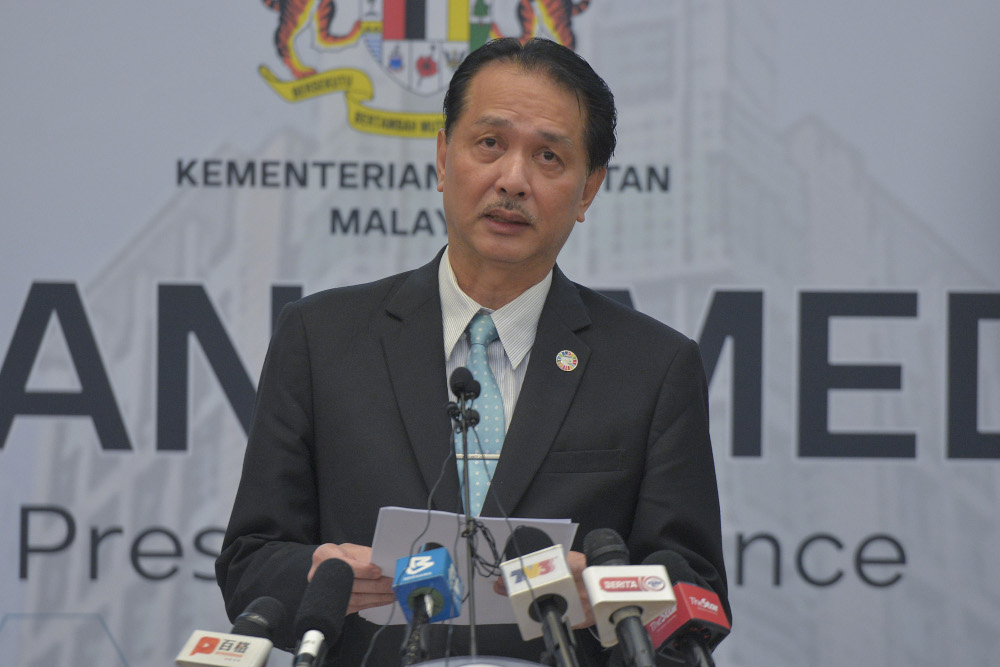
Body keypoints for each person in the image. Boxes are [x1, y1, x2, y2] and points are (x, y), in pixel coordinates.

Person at [217, 37, 729, 664]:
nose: (512, 180)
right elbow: (251, 560)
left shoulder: (653, 367)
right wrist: (321, 572)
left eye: (548, 156)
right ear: (442, 156)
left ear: (589, 189)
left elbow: (695, 592)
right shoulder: (321, 338)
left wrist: (608, 595)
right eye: (489, 144)